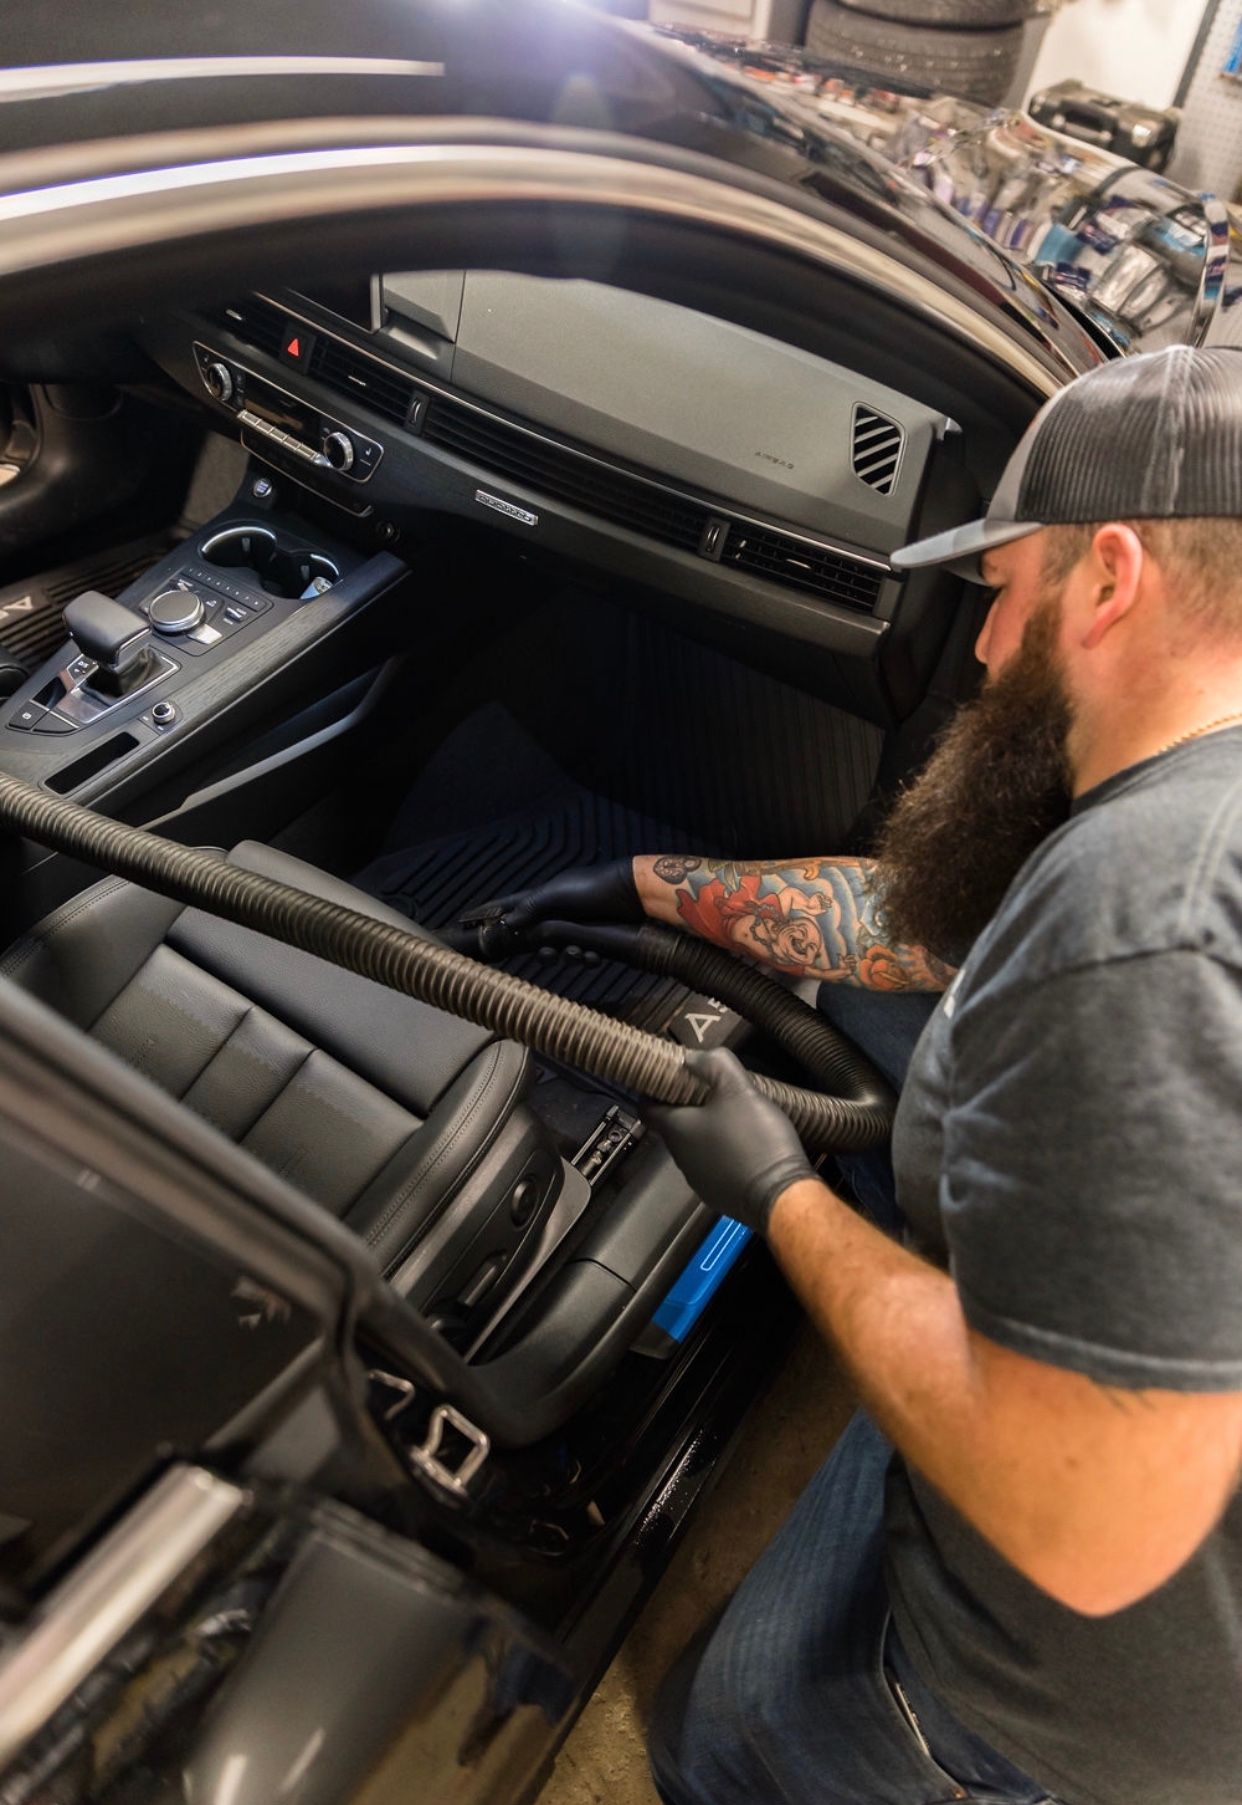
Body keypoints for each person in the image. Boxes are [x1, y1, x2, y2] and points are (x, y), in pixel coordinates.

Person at [471, 344, 1242, 1805]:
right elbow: (931, 927)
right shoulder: (1189, 812)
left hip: (1054, 1708)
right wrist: (642, 883)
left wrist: (776, 1192)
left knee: (729, 1730)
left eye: (1004, 590)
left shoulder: (1146, 910)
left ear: (1112, 576)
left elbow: (1083, 1524)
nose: (978, 643)